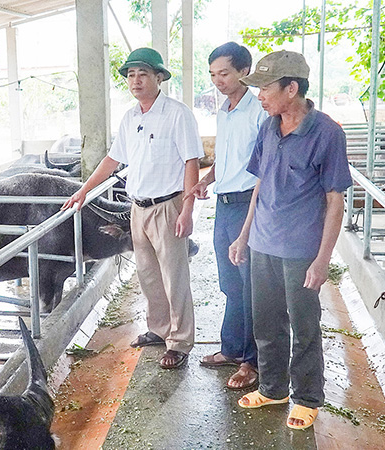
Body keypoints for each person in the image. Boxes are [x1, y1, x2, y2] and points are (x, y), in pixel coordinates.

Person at [229, 50, 352, 430]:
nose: (260, 95)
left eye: (265, 87)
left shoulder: (327, 133)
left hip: (301, 251)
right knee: (266, 324)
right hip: (262, 244)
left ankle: (308, 397)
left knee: (304, 326)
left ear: (291, 88)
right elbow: (260, 184)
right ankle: (273, 387)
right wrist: (244, 234)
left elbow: (335, 200)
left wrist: (322, 259)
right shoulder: (268, 127)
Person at [62, 47, 203, 369]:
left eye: (143, 74)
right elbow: (113, 160)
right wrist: (84, 191)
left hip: (168, 205)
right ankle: (158, 329)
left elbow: (191, 162)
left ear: (159, 77)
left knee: (174, 276)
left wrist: (187, 210)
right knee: (148, 274)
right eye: (130, 75)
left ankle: (180, 342)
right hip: (137, 208)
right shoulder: (130, 117)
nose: (136, 80)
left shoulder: (177, 114)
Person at [186, 42, 268, 390]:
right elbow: (227, 156)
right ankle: (232, 348)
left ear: (244, 71)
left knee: (251, 285)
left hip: (250, 203)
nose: (217, 81)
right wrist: (208, 178)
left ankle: (252, 361)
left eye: (224, 73)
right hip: (224, 203)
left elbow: (266, 167)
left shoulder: (260, 111)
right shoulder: (225, 110)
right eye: (212, 75)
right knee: (229, 284)